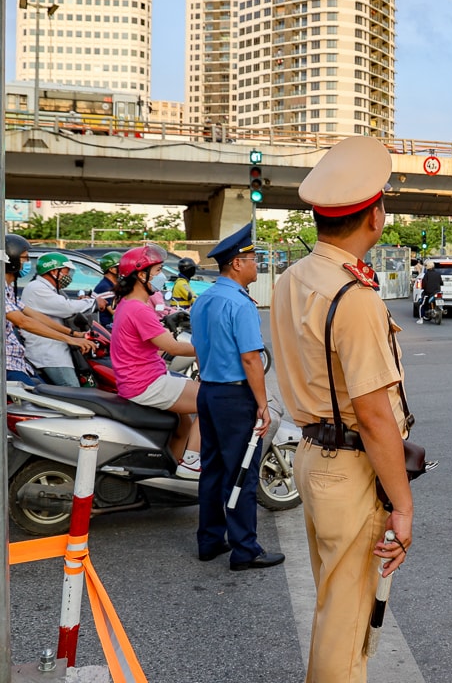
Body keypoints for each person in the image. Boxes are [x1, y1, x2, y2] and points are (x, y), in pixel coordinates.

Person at [271, 135, 413, 683]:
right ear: (374, 216)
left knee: (337, 601)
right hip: (351, 468)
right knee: (347, 619)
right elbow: (375, 417)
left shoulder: (293, 278)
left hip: (313, 455)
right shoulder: (353, 297)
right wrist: (402, 507)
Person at [189, 224, 283, 570]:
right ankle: (245, 549)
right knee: (242, 472)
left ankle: (210, 540)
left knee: (211, 468)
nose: (257, 265)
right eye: (253, 259)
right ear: (237, 264)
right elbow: (250, 359)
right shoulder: (240, 305)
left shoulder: (204, 300)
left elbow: (199, 349)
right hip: (234, 397)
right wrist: (261, 403)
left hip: (209, 392)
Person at [109, 244, 203, 477]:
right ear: (142, 275)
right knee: (212, 399)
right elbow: (172, 347)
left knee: (184, 425)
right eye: (158, 270)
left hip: (142, 378)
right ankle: (192, 464)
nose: (162, 276)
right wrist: (210, 347)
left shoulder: (128, 304)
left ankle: (169, 471)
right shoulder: (138, 309)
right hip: (146, 383)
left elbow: (154, 347)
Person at [2, 235, 96, 386]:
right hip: (8, 363)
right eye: (24, 258)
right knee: (63, 395)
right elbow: (24, 322)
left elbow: (35, 316)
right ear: (11, 259)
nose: (27, 263)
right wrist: (71, 339)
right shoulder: (0, 289)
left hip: (17, 359)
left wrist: (74, 334)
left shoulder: (9, 290)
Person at [20, 252, 107, 387]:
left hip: (58, 346)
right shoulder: (36, 288)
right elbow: (66, 308)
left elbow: (61, 306)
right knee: (73, 390)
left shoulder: (52, 289)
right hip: (49, 353)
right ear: (54, 271)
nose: (68, 276)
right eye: (66, 272)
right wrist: (93, 303)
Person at [93, 251, 122, 329]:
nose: (122, 269)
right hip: (108, 328)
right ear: (111, 269)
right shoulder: (105, 287)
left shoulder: (114, 284)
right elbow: (116, 312)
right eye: (120, 267)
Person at [417, 259, 443, 324]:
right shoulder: (438, 274)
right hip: (437, 292)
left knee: (421, 305)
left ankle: (421, 319)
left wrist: (424, 288)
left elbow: (424, 284)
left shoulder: (427, 274)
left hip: (428, 293)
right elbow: (441, 282)